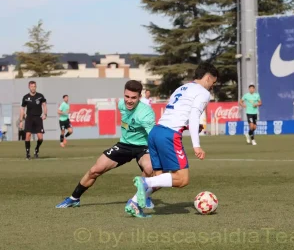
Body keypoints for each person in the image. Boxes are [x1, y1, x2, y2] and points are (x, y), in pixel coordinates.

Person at [126, 63, 218, 218]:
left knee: (160, 178)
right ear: (208, 77)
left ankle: (134, 203)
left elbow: (176, 114)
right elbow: (195, 116)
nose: (212, 87)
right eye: (213, 83)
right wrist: (197, 146)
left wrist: (189, 127)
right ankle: (144, 183)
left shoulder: (181, 88)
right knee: (182, 179)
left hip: (156, 132)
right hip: (169, 135)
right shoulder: (203, 92)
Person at [56, 80, 156, 208]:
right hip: (124, 144)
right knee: (94, 170)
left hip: (143, 146)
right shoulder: (121, 104)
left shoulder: (146, 113)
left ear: (139, 97)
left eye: (133, 98)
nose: (129, 101)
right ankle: (74, 198)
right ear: (123, 94)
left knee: (149, 168)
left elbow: (153, 137)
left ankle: (143, 196)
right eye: (127, 96)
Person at [20, 81, 47, 160]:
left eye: (34, 86)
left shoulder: (40, 96)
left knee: (40, 137)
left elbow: (44, 105)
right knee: (27, 136)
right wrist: (21, 121)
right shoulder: (25, 97)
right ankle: (28, 153)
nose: (33, 88)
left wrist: (45, 114)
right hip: (29, 118)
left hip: (38, 118)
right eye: (31, 86)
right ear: (29, 87)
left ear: (36, 87)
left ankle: (36, 149)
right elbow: (22, 108)